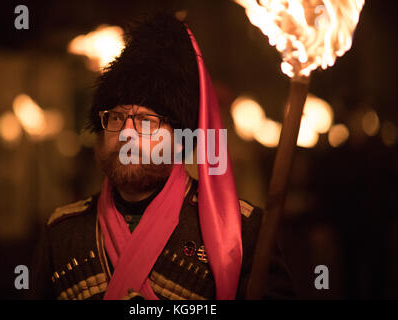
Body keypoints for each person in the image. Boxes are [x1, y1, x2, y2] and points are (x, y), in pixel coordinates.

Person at [28, 12, 294, 300]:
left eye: (145, 121)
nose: (127, 133)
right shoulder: (62, 231)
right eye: (116, 118)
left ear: (180, 139)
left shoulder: (238, 231)